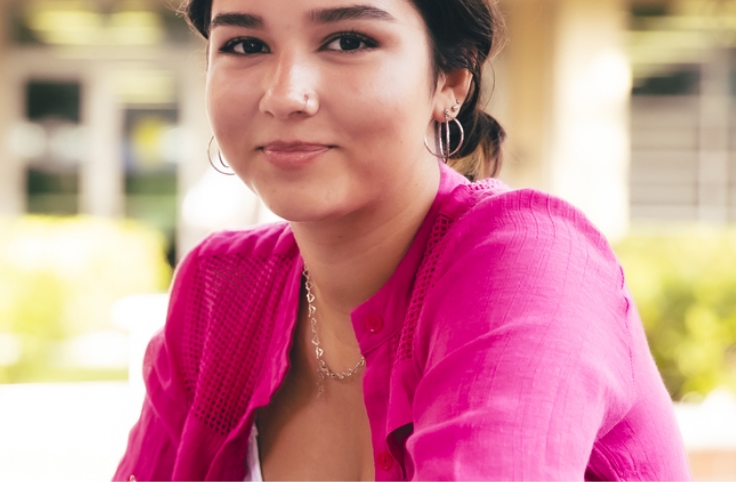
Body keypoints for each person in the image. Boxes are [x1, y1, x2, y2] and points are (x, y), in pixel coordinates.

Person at [113, 0, 691, 479]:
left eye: (347, 41)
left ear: (450, 82)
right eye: (244, 45)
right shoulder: (220, 291)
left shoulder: (528, 263)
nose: (285, 94)